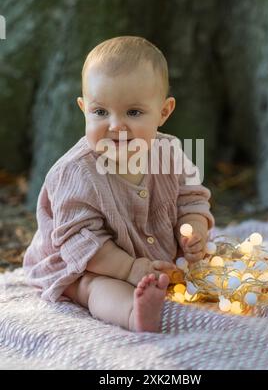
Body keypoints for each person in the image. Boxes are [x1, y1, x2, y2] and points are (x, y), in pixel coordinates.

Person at [23, 36, 215, 332]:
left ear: (163, 112)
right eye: (100, 112)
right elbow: (82, 242)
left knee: (209, 269)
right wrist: (129, 269)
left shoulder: (169, 152)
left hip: (150, 261)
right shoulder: (75, 173)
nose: (115, 126)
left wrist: (194, 230)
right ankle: (133, 313)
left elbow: (191, 198)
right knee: (95, 287)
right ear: (83, 107)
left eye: (133, 112)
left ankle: (144, 289)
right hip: (80, 263)